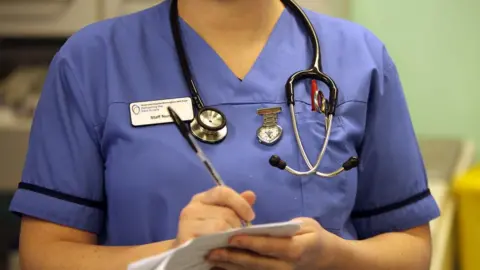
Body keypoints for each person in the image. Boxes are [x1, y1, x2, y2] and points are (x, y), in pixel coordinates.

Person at [9, 0, 440, 269]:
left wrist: (333, 258)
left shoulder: (359, 57)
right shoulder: (91, 61)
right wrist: (173, 255)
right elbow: (45, 255)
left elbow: (411, 248)